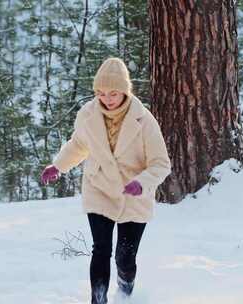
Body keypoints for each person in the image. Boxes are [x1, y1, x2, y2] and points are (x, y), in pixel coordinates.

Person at [41, 58, 171, 303]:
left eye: (113, 93)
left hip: (134, 195)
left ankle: (125, 291)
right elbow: (79, 145)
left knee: (125, 257)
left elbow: (161, 163)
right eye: (101, 93)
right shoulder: (88, 114)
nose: (107, 99)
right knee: (101, 249)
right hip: (99, 188)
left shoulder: (144, 120)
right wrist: (58, 165)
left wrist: (142, 182)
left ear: (125, 91)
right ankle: (98, 300)